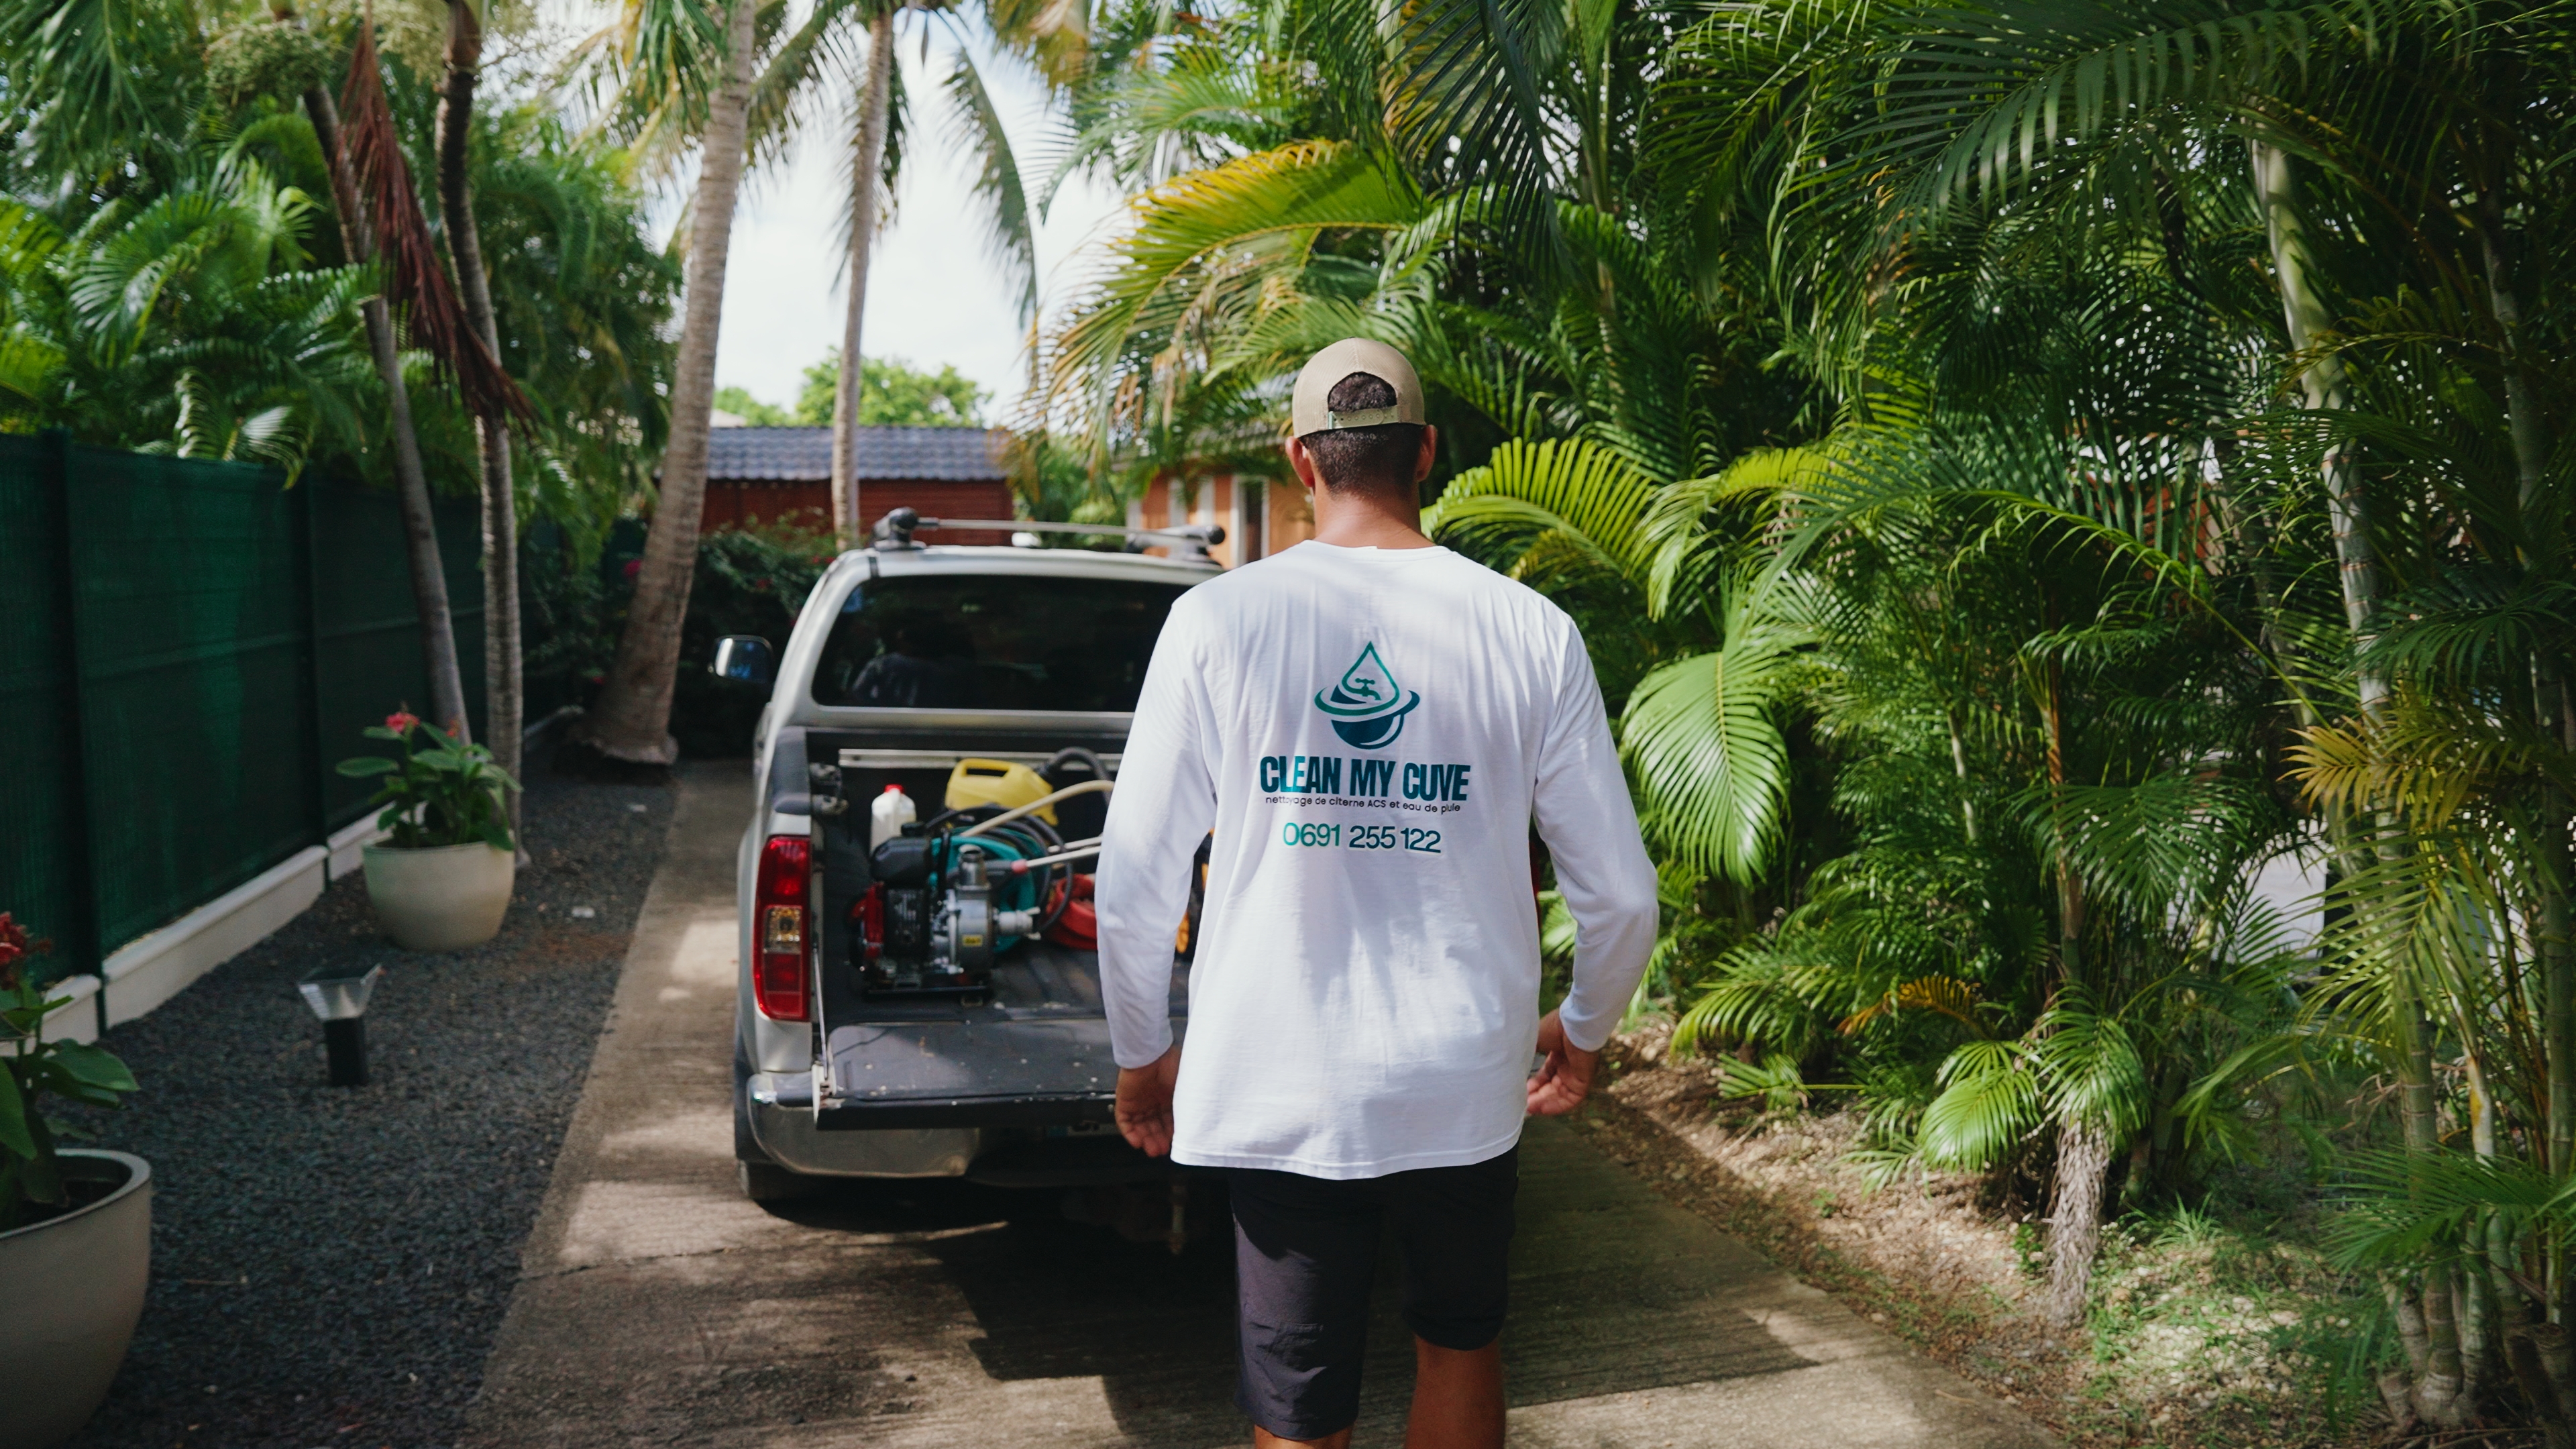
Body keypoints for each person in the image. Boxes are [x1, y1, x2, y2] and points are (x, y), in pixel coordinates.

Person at [1093, 338, 1660, 1449]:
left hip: (1279, 1065)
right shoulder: (1530, 631)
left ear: (1298, 459)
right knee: (1460, 1339)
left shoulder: (1217, 622)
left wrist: (1141, 1052)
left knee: (1299, 1391)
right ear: (1430, 454)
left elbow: (1132, 886)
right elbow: (1625, 896)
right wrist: (1583, 1034)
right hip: (1463, 1073)